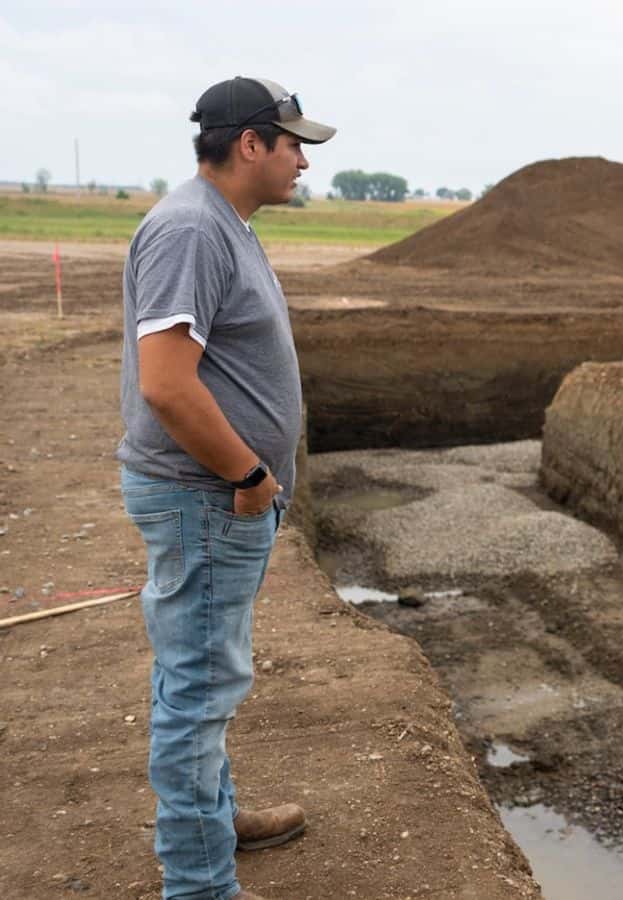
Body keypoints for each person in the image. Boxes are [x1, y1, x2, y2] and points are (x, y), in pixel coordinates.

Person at [118, 76, 335, 900]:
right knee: (200, 687)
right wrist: (247, 476)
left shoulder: (222, 224)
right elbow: (168, 385)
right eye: (294, 145)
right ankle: (201, 883)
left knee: (205, 672)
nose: (303, 164)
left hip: (215, 498)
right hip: (207, 496)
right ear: (250, 143)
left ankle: (215, 818)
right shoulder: (190, 231)